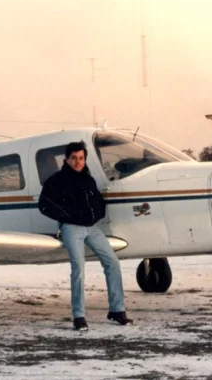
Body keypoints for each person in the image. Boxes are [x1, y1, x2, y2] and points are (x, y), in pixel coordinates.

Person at [38, 140, 133, 331]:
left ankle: (117, 310)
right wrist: (67, 216)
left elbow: (99, 202)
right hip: (71, 229)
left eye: (81, 158)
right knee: (79, 268)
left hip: (92, 228)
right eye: (74, 158)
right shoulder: (56, 180)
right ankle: (79, 316)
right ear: (66, 159)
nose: (78, 162)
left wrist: (96, 215)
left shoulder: (88, 180)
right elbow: (44, 204)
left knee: (112, 262)